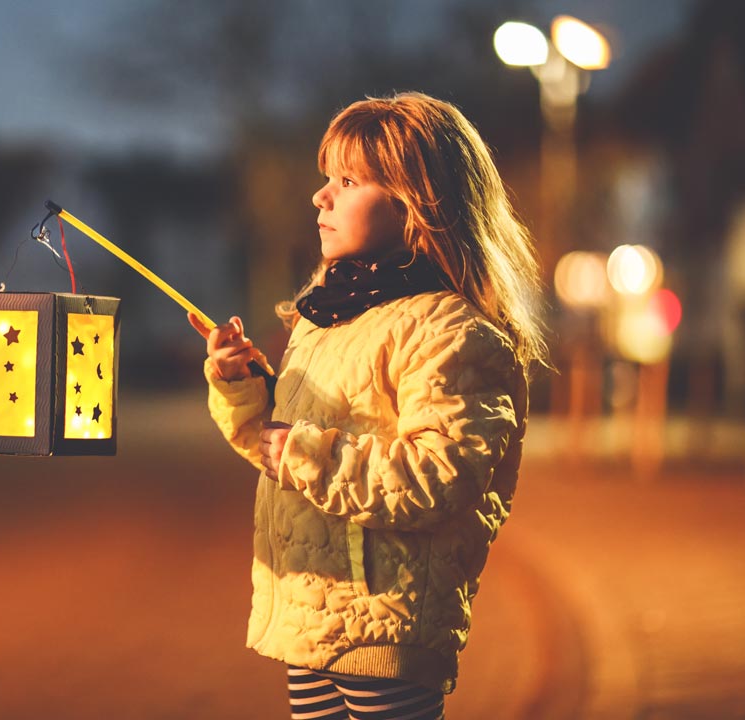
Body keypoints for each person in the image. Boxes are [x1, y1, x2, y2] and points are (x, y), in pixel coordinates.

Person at [188, 92, 549, 720]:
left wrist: (304, 454)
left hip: (387, 621)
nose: (320, 197)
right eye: (326, 178)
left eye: (348, 181)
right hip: (314, 614)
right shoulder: (327, 318)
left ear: (418, 206)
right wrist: (240, 384)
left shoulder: (451, 332)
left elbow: (437, 477)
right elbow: (276, 448)